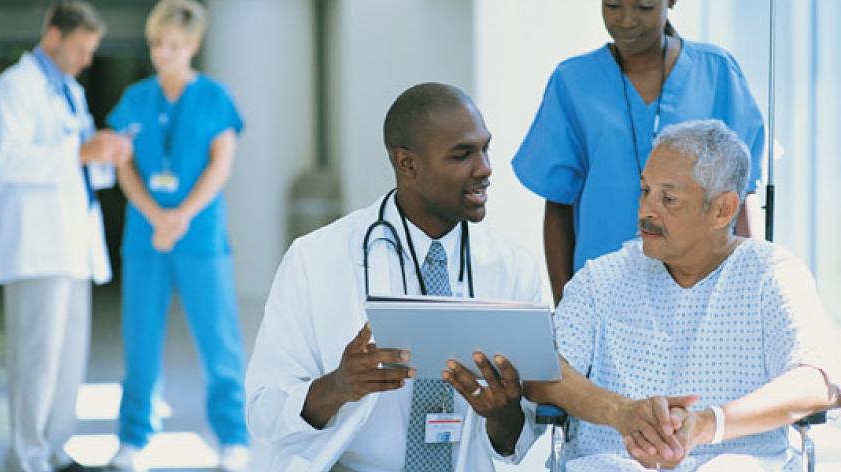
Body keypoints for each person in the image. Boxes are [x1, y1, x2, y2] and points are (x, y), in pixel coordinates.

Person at [245, 82, 546, 471]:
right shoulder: (316, 260)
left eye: (485, 148)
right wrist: (337, 386)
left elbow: (521, 439)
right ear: (407, 164)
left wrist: (503, 415)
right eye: (462, 155)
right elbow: (262, 413)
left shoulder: (514, 268)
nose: (485, 168)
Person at [524, 120, 840, 471]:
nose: (646, 210)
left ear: (722, 209)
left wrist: (709, 424)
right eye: (645, 191)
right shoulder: (601, 278)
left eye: (669, 198)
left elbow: (819, 382)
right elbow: (544, 372)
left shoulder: (772, 275)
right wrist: (622, 413)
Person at [512, 0, 766, 303]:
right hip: (602, 289)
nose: (627, 20)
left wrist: (747, 291)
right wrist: (564, 304)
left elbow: (738, 198)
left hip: (702, 286)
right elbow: (558, 204)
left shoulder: (717, 72)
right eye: (613, 5)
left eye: (644, 6)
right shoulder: (573, 81)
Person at [104, 0, 248, 469]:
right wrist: (155, 215)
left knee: (218, 340)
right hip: (146, 239)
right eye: (155, 44)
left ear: (192, 46)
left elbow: (221, 164)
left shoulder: (215, 98)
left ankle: (233, 439)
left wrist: (180, 215)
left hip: (200, 237)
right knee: (140, 341)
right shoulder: (135, 99)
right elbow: (123, 166)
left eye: (172, 45)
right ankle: (133, 438)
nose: (161, 54)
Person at [0, 1, 132, 471]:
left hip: (72, 247)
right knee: (36, 363)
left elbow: (81, 164)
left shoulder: (70, 91)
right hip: (37, 249)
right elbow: (7, 162)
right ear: (53, 36)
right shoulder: (13, 88)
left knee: (68, 361)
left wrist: (106, 154)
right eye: (80, 48)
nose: (87, 60)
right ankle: (27, 458)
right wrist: (79, 151)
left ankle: (55, 450)